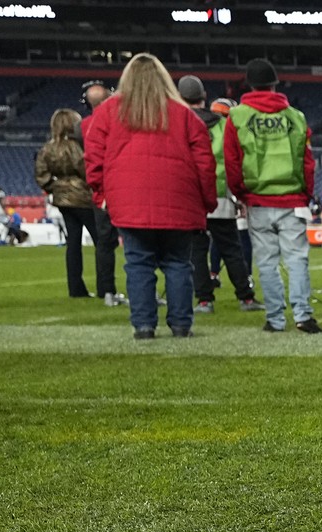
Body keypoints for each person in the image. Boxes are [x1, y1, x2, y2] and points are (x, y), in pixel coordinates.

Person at [84, 53, 215, 340]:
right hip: (180, 202)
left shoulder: (107, 113)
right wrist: (207, 201)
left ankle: (144, 325)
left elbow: (93, 159)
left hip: (128, 203)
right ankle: (181, 325)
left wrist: (103, 196)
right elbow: (205, 164)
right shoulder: (184, 115)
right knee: (179, 263)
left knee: (138, 263)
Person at [225, 58, 321, 333]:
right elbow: (307, 161)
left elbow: (232, 161)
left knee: (266, 261)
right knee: (297, 259)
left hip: (257, 199)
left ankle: (276, 319)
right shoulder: (295, 117)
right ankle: (303, 316)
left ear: (249, 85)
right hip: (292, 199)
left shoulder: (238, 117)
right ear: (274, 84)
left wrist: (240, 194)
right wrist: (306, 194)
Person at [176, 81, 262, 315]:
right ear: (204, 95)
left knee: (197, 251)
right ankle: (245, 298)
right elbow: (235, 161)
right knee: (232, 249)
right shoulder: (224, 126)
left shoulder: (178, 124)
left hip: (190, 197)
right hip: (220, 195)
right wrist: (239, 195)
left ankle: (204, 301)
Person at [35, 109, 97, 297]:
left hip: (62, 200)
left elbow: (41, 174)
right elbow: (86, 170)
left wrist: (57, 187)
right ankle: (105, 286)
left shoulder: (48, 148)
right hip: (83, 198)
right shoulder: (77, 147)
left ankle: (76, 288)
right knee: (101, 241)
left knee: (73, 242)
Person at [79, 81, 125, 306]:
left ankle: (106, 290)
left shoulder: (83, 126)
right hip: (124, 186)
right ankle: (147, 291)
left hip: (101, 192)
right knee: (142, 240)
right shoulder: (118, 120)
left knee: (104, 243)